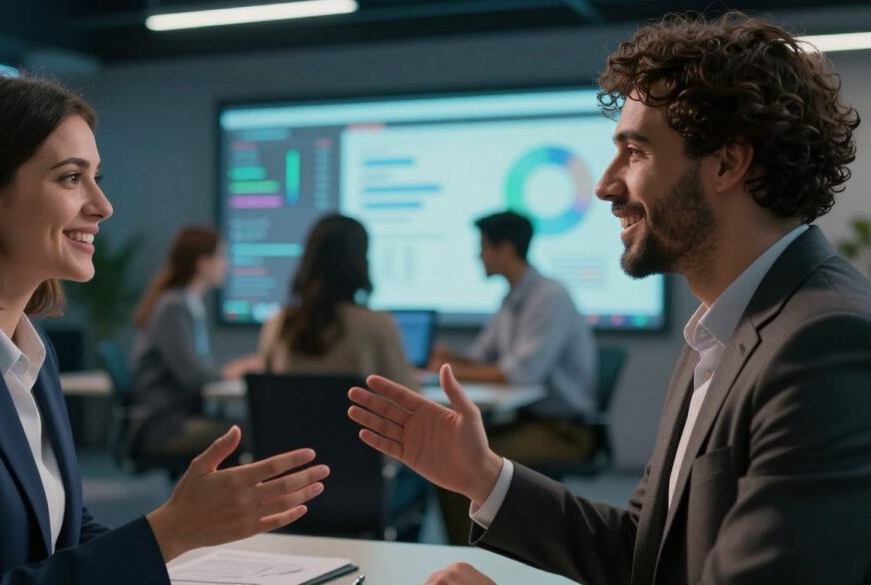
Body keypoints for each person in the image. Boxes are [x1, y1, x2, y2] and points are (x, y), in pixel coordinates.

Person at [348, 12, 871, 585]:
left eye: (636, 151)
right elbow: (643, 554)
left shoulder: (825, 344)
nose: (604, 184)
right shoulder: (723, 330)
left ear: (727, 162)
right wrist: (483, 475)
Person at [0, 73, 328, 584]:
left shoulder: (31, 352)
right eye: (71, 178)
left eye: (97, 177)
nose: (102, 206)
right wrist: (169, 531)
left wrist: (181, 537)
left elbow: (64, 534)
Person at [429, 210, 597, 544]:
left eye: (484, 247)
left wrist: (446, 370)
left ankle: (477, 555)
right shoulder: (513, 297)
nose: (478, 255)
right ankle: (471, 551)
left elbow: (520, 373)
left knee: (459, 462)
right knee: (452, 457)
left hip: (565, 432)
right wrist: (448, 356)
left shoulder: (549, 298)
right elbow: (481, 356)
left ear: (505, 249)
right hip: (528, 422)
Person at [130, 226, 260, 460]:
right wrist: (235, 370)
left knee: (246, 430)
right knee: (252, 432)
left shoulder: (187, 303)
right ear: (202, 263)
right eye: (221, 256)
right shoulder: (174, 307)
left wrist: (236, 365)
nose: (226, 264)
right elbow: (192, 376)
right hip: (166, 426)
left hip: (177, 416)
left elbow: (198, 364)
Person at [258, 214, 414, 387]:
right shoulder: (378, 326)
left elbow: (268, 391)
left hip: (290, 416)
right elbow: (409, 397)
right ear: (361, 262)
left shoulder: (279, 324)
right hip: (353, 415)